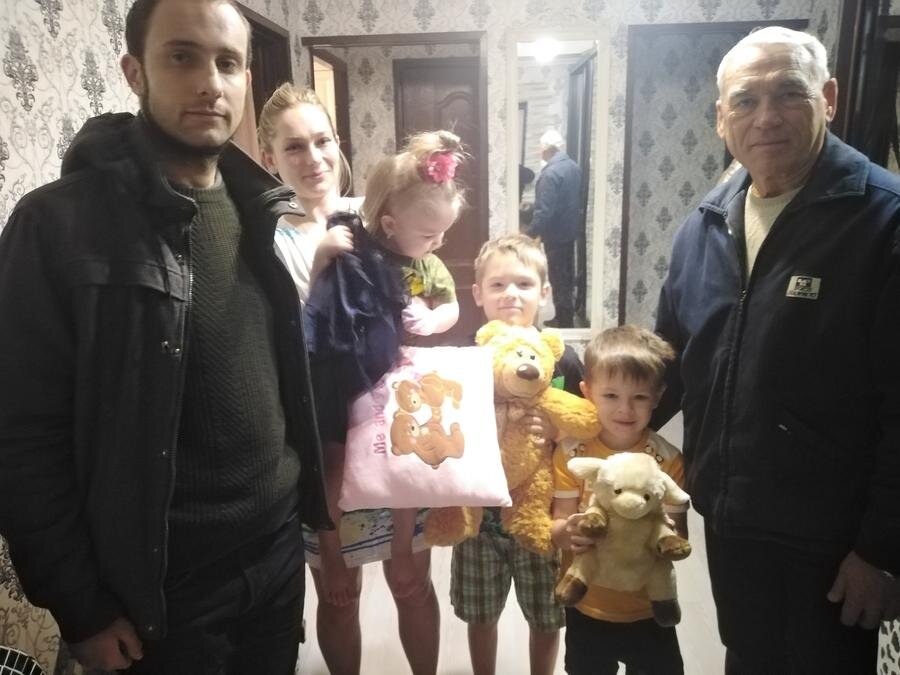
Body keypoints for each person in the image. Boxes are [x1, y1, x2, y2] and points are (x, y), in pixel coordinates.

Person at [0, 0, 330, 672]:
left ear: (246, 80)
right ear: (135, 71)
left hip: (273, 557)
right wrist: (81, 606)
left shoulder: (259, 208)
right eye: (182, 57)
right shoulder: (56, 226)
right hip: (161, 588)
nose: (209, 82)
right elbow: (21, 434)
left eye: (227, 63)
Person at [654, 25, 900, 673]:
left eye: (789, 93)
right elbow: (668, 362)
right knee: (747, 656)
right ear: (721, 117)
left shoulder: (883, 221)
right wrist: (571, 406)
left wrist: (882, 549)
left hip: (832, 538)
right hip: (731, 515)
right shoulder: (705, 223)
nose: (765, 117)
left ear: (829, 98)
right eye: (745, 99)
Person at [256, 88, 445, 675]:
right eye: (294, 147)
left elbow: (424, 279)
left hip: (395, 423)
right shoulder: (268, 241)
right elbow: (277, 342)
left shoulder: (380, 215)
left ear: (338, 143)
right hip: (323, 431)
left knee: (412, 582)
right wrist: (319, 267)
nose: (313, 158)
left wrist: (429, 312)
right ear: (270, 158)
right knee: (340, 596)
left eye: (322, 141)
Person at [449, 233, 583, 675]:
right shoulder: (466, 358)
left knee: (547, 616)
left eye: (524, 284)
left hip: (542, 517)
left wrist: (557, 430)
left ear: (544, 293)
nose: (511, 293)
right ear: (478, 293)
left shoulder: (563, 360)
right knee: (480, 614)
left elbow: (587, 426)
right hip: (478, 518)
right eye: (498, 284)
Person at [550, 325, 687, 675]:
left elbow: (679, 538)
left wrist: (666, 535)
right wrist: (568, 531)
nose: (625, 409)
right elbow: (557, 527)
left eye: (639, 397)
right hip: (586, 604)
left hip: (648, 607)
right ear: (587, 392)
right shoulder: (571, 455)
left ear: (657, 396)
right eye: (611, 395)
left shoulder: (668, 460)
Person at [526, 129, 582, 328]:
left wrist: (529, 234)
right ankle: (565, 317)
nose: (539, 152)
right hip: (569, 232)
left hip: (555, 235)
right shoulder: (573, 167)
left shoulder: (550, 174)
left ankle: (563, 321)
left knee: (558, 278)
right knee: (567, 277)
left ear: (546, 149)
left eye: (540, 149)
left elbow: (544, 211)